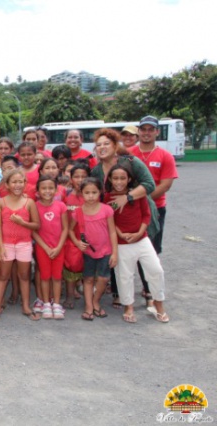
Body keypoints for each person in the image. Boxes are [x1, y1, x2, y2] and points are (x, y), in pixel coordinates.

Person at [90, 128, 157, 309]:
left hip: (138, 216)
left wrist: (127, 198)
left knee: (143, 256)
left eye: (106, 143)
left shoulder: (131, 162)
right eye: (98, 145)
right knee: (115, 255)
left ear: (115, 145)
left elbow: (149, 184)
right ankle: (119, 293)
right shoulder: (96, 171)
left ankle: (150, 292)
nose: (102, 147)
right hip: (114, 221)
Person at [103, 165, 168, 323]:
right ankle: (128, 306)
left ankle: (158, 304)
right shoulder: (107, 198)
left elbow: (146, 215)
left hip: (142, 240)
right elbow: (109, 220)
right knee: (125, 276)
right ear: (110, 179)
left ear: (129, 179)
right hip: (121, 243)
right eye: (115, 178)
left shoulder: (137, 195)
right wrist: (120, 234)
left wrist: (139, 233)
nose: (119, 182)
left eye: (123, 178)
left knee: (156, 270)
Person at [0, 169, 41, 322]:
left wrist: (22, 223)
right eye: (14, 182)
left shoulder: (29, 203)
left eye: (20, 181)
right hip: (6, 244)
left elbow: (36, 225)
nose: (17, 185)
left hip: (24, 244)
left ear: (25, 183)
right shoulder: (1, 202)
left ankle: (26, 306)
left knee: (24, 276)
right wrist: (1, 247)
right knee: (3, 276)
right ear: (7, 184)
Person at [69, 177, 117, 321]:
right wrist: (77, 242)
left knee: (103, 278)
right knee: (88, 279)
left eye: (94, 192)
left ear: (100, 192)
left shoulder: (107, 210)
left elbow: (112, 231)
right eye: (87, 193)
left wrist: (115, 253)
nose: (90, 196)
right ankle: (89, 306)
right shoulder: (78, 212)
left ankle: (96, 301)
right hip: (88, 252)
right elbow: (70, 230)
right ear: (81, 193)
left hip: (105, 251)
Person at [129, 115, 178, 255]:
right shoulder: (128, 153)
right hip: (131, 207)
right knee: (129, 247)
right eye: (143, 129)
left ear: (157, 132)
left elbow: (165, 185)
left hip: (155, 208)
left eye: (151, 129)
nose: (146, 133)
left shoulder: (166, 156)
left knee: (152, 248)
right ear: (138, 131)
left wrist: (142, 199)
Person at [32, 176, 68, 320]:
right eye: (44, 188)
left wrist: (58, 247)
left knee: (57, 277)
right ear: (38, 191)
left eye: (50, 188)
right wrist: (46, 248)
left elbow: (65, 229)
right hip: (42, 248)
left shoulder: (61, 206)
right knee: (45, 276)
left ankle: (57, 304)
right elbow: (34, 231)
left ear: (56, 190)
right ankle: (46, 303)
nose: (47, 191)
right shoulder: (34, 206)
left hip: (59, 247)